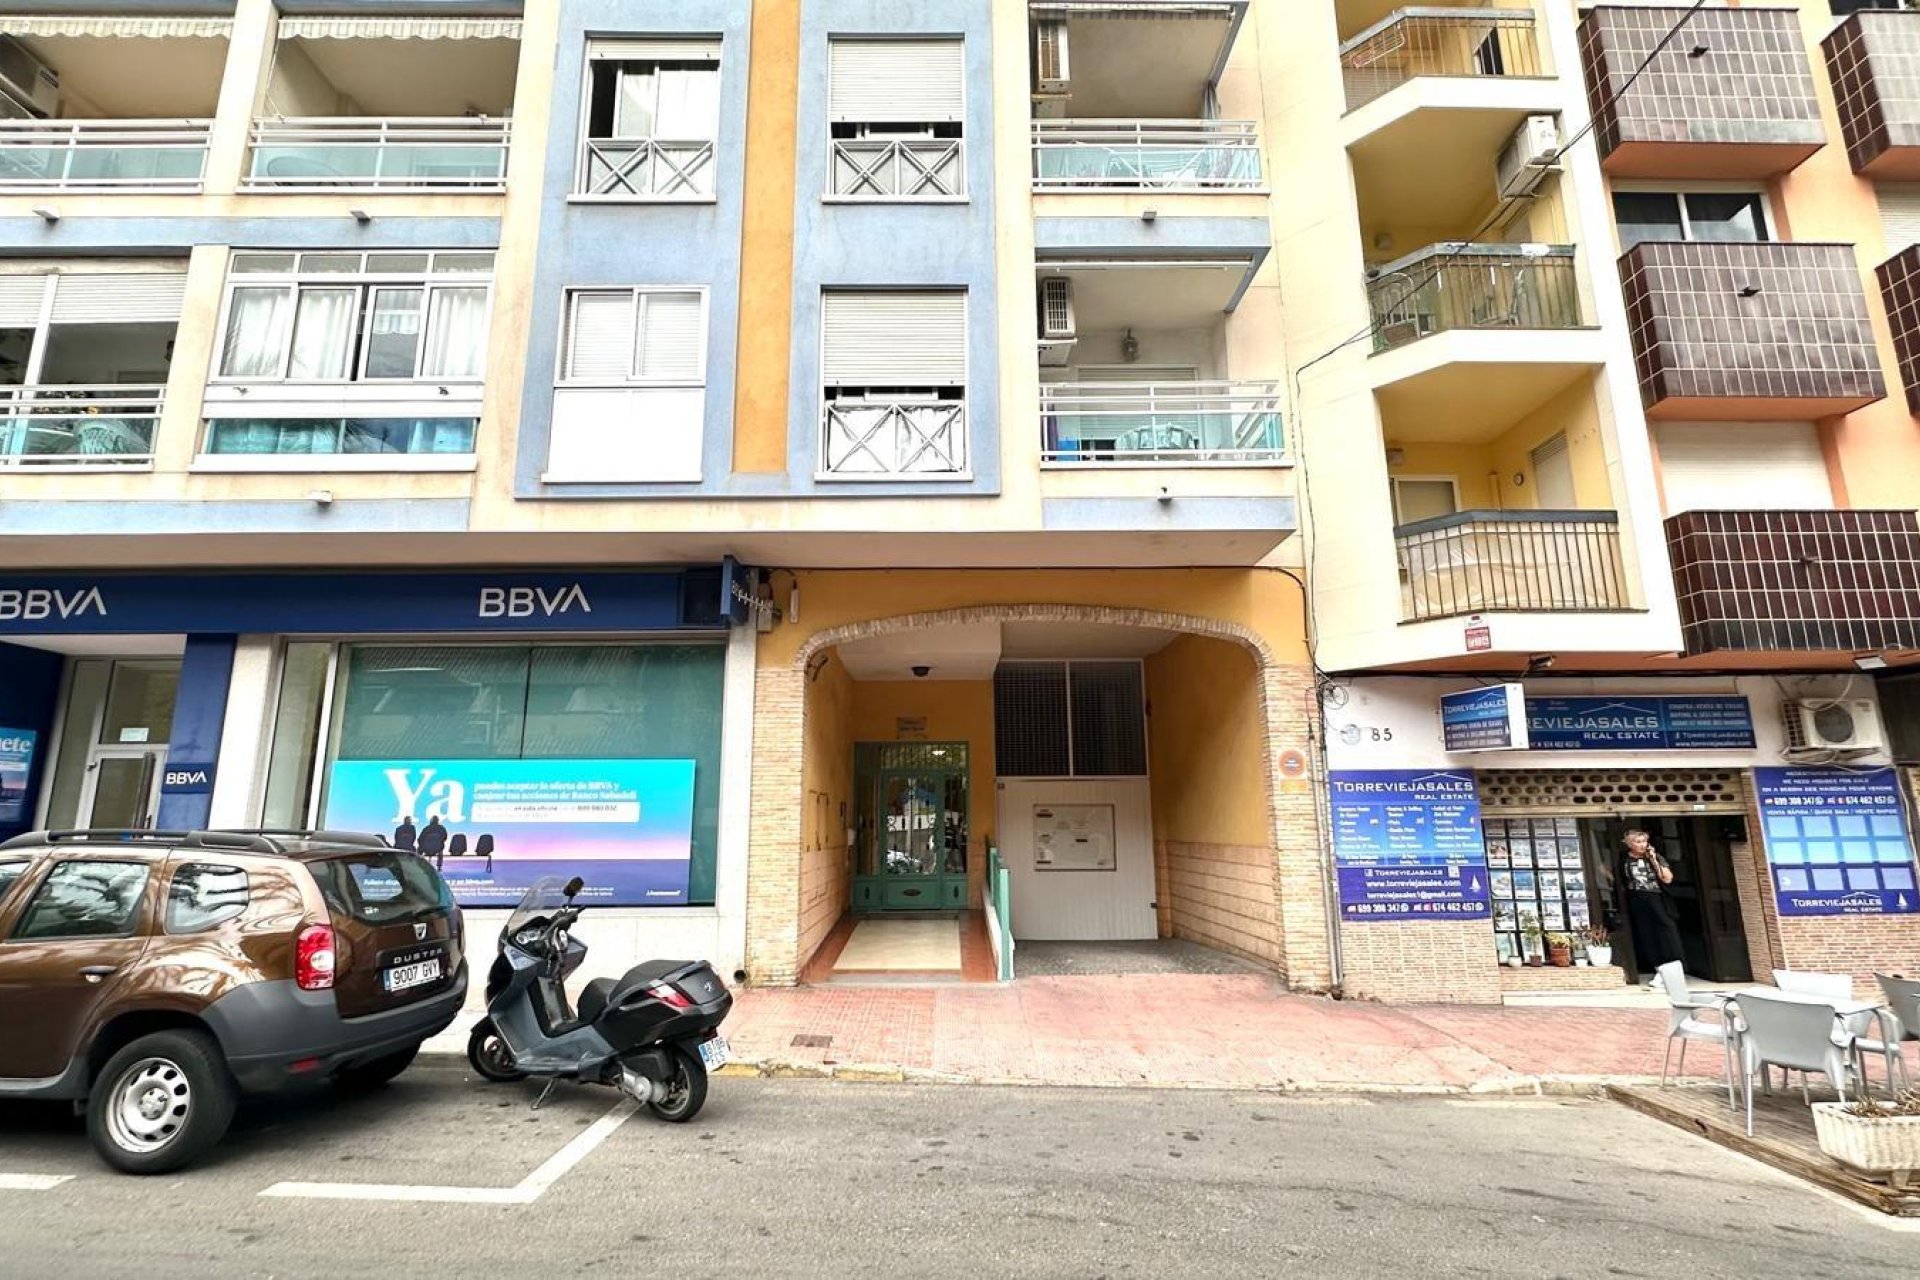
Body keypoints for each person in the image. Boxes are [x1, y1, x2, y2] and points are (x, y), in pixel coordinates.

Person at [1617, 828, 1683, 986]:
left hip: (1656, 897)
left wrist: (1653, 859)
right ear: (1629, 844)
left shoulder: (1655, 857)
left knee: (1665, 929)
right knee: (1646, 933)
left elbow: (1667, 878)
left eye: (1644, 841)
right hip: (1636, 898)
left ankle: (1672, 967)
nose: (1642, 845)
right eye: (1638, 842)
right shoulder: (1624, 859)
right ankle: (1658, 968)